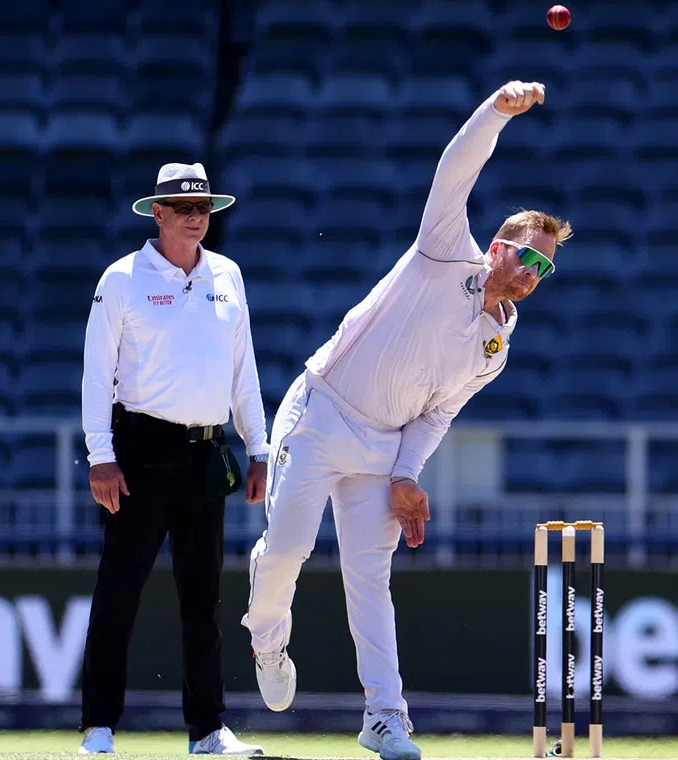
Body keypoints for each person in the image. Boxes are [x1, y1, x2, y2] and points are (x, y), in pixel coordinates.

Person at [241, 81, 571, 760]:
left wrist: (404, 475)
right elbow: (456, 169)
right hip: (320, 413)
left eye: (546, 265)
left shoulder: (496, 347)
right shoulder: (444, 253)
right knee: (287, 552)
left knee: (370, 578)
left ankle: (385, 717)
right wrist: (496, 114)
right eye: (527, 255)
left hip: (383, 447)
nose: (534, 271)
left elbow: (437, 413)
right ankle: (266, 636)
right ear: (497, 249)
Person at [78, 162, 270, 755]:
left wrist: (258, 446)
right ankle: (100, 727)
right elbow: (94, 372)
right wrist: (100, 455)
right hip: (139, 450)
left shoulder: (228, 275)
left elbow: (244, 370)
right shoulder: (122, 278)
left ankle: (208, 729)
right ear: (156, 214)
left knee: (202, 596)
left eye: (203, 206)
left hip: (205, 452)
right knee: (120, 591)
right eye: (183, 207)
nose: (195, 216)